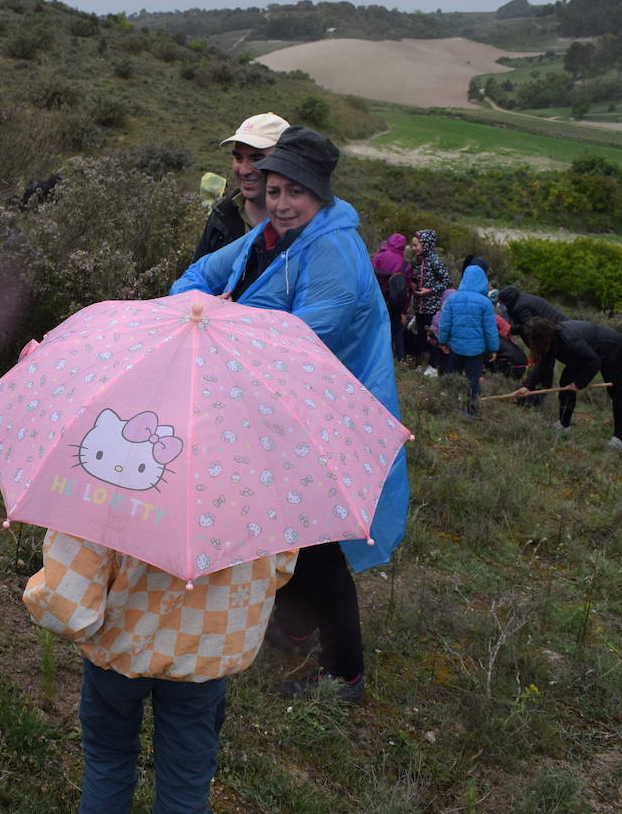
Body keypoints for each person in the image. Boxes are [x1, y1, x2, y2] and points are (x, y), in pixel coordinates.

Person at [171, 126, 410, 703]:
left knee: (316, 535)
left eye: (294, 192)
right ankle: (298, 625)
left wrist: (225, 322)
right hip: (277, 403)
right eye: (274, 190)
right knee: (285, 521)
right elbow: (197, 275)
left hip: (325, 410)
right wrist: (199, 304)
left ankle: (345, 672)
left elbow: (305, 337)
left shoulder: (331, 249)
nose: (279, 203)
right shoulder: (272, 235)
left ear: (320, 194)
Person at [23, 527, 295, 812]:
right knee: (186, 785)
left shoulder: (113, 485)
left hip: (117, 653)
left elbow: (66, 600)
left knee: (107, 760)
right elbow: (280, 566)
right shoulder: (255, 496)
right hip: (202, 658)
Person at [510, 317, 622, 446]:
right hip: (585, 353)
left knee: (617, 392)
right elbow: (542, 365)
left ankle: (618, 439)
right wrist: (528, 387)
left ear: (540, 337)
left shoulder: (569, 341)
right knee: (566, 383)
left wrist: (579, 384)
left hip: (612, 347)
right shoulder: (550, 339)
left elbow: (594, 362)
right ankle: (564, 425)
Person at [191, 111, 290, 260]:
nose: (243, 170)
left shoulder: (309, 227)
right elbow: (198, 278)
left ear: (287, 161)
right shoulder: (223, 216)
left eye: (257, 158)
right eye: (238, 157)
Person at [436, 264, 498, 416]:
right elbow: (490, 329)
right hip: (476, 350)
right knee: (473, 381)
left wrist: (442, 342)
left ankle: (448, 406)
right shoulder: (485, 303)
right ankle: (472, 411)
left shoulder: (452, 299)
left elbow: (444, 324)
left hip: (456, 347)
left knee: (452, 377)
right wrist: (493, 349)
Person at [408, 229, 450, 377]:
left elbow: (446, 281)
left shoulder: (435, 261)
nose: (413, 248)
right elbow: (413, 277)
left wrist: (430, 290)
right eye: (412, 245)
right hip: (419, 306)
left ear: (426, 244)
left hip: (432, 307)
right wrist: (413, 285)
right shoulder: (415, 261)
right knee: (420, 337)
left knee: (432, 337)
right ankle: (422, 363)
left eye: (416, 245)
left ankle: (434, 366)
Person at [371, 233, 412, 361]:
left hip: (375, 300)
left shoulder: (377, 257)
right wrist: (404, 311)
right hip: (394, 303)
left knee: (375, 327)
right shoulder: (405, 265)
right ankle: (400, 357)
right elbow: (407, 290)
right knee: (396, 328)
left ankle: (374, 354)